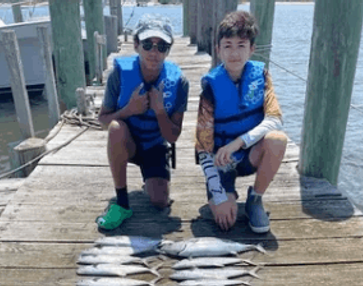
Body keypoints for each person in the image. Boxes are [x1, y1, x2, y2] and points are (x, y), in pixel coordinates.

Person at [195, 10, 287, 234]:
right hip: (221, 162)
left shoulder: (262, 76)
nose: (234, 53)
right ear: (218, 49)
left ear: (252, 49)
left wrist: (238, 142)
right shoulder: (210, 87)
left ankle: (255, 199)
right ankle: (225, 192)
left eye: (241, 45)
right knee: (226, 221)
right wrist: (218, 194)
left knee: (277, 140)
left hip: (249, 155)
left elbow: (274, 119)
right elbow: (203, 148)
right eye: (227, 45)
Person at [97, 14, 189, 231]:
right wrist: (129, 109)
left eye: (161, 46)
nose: (154, 52)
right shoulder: (118, 74)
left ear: (168, 49)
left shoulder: (180, 82)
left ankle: (152, 177)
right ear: (136, 45)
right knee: (116, 128)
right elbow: (103, 121)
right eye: (147, 44)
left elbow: (173, 136)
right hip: (127, 140)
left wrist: (159, 111)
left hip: (155, 144)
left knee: (160, 202)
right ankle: (122, 203)